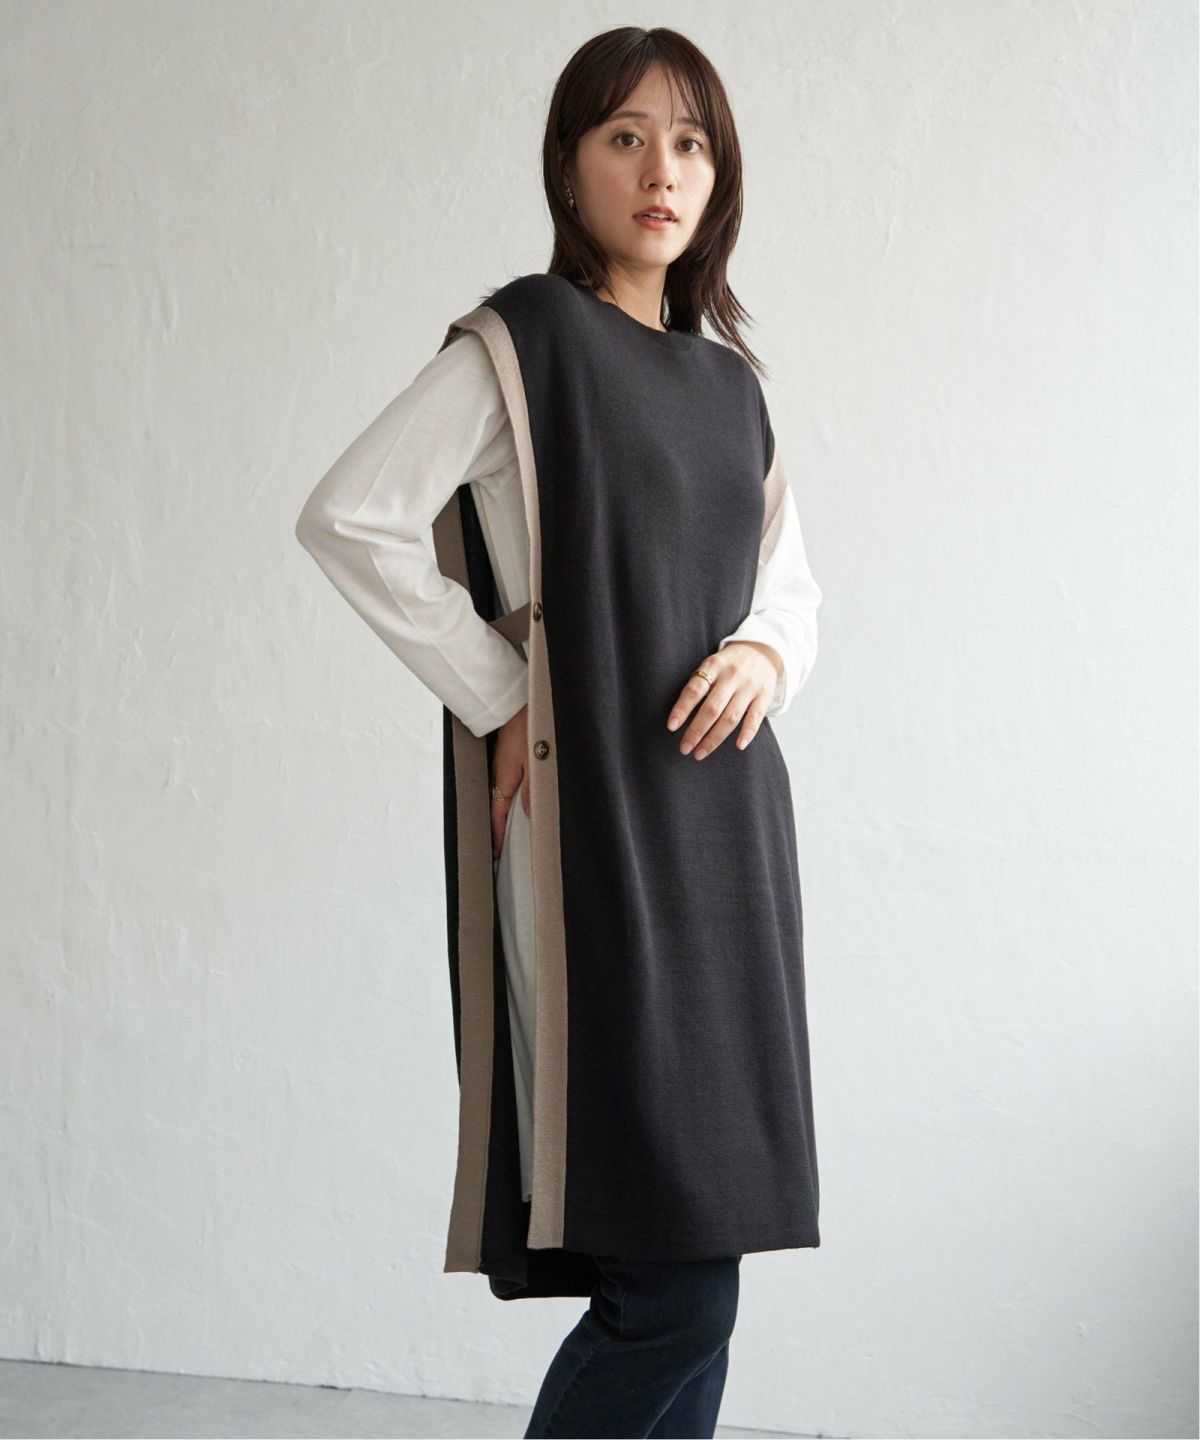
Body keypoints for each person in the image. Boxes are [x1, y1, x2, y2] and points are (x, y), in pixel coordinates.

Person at [296, 26, 823, 1439]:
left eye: (691, 143)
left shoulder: (732, 388)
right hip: (591, 830)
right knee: (670, 1283)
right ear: (570, 163)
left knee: (703, 1258)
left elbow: (791, 584)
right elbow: (351, 518)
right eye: (626, 137)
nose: (662, 171)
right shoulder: (521, 344)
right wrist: (503, 690)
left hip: (724, 840)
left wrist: (766, 651)